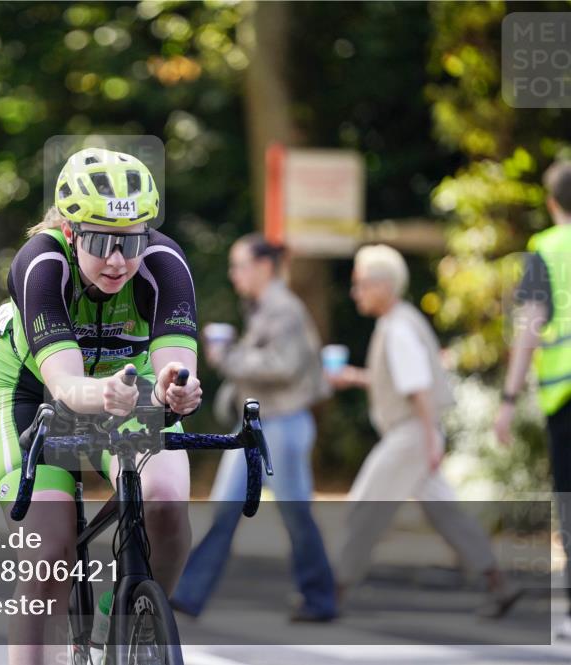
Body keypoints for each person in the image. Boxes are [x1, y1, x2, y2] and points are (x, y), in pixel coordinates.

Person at [0, 147, 203, 664]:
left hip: (124, 385)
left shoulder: (164, 264)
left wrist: (176, 387)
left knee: (167, 502)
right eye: (101, 242)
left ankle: (118, 623)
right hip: (32, 391)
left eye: (131, 241)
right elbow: (66, 384)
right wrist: (101, 396)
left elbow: (173, 361)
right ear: (72, 231)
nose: (119, 260)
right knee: (47, 556)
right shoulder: (40, 263)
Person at [330, 244, 522, 618]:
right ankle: (499, 582)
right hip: (419, 432)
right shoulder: (400, 320)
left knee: (364, 509)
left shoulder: (397, 327)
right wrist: (357, 378)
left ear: (383, 285)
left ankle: (330, 592)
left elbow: (418, 388)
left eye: (361, 284)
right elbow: (401, 382)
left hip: (411, 435)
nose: (356, 293)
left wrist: (430, 440)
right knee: (447, 513)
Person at [170, 234, 337, 622]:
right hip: (257, 428)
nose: (233, 275)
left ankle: (319, 598)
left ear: (264, 266)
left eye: (239, 265)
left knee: (297, 515)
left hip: (283, 427)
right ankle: (188, 593)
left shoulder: (283, 309)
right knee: (223, 513)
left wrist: (227, 357)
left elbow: (281, 367)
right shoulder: (264, 308)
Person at [494, 160, 571, 638]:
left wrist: (507, 397)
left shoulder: (545, 250)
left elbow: (528, 327)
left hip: (564, 396)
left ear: (551, 202)